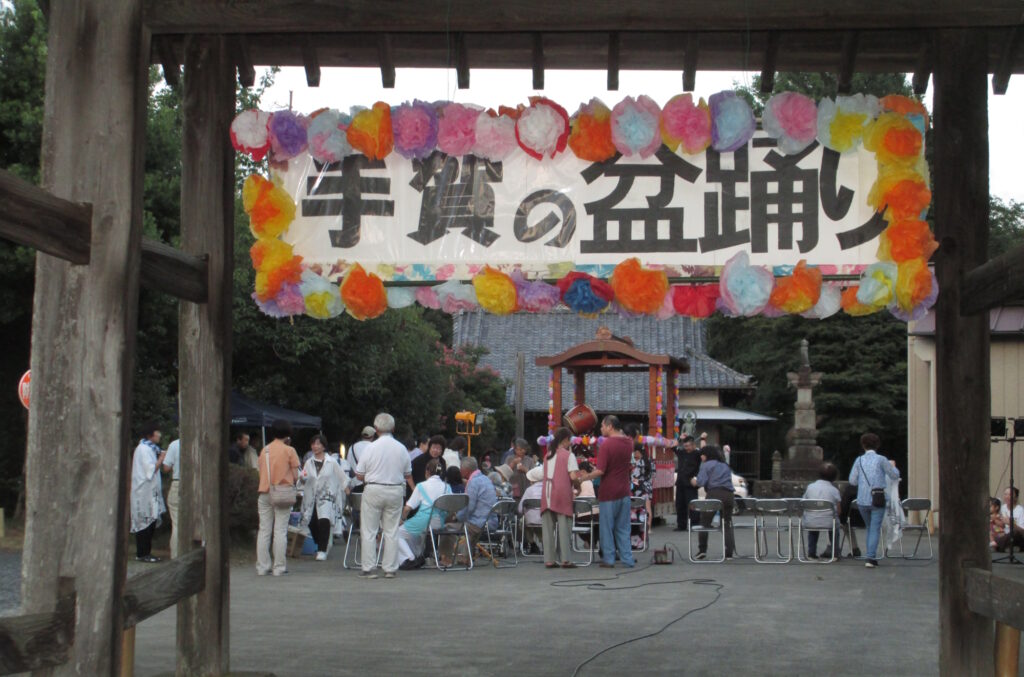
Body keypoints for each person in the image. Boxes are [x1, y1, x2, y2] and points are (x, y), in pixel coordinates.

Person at [355, 413, 414, 579]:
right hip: (395, 489)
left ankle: (369, 568)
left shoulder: (370, 448)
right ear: (393, 428)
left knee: (369, 530)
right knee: (392, 530)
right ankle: (390, 568)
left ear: (376, 429)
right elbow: (407, 473)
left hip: (373, 488)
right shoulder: (401, 448)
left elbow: (359, 475)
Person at [578, 415, 636, 569]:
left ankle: (609, 559)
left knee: (607, 528)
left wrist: (584, 478)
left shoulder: (606, 444)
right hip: (624, 490)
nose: (601, 429)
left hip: (609, 492)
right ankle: (627, 559)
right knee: (623, 528)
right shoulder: (629, 443)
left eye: (603, 426)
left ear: (610, 426)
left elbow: (600, 470)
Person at [848, 432, 900, 568]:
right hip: (878, 498)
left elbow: (852, 481)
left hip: (862, 500)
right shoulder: (881, 459)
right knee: (875, 528)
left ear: (863, 445)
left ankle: (870, 555)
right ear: (877, 445)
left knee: (870, 527)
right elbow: (894, 475)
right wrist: (893, 466)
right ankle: (870, 557)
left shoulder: (859, 460)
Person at [256, 419, 300, 576]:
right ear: (287, 433)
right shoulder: (290, 451)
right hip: (282, 493)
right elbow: (296, 476)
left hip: (265, 492)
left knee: (264, 530)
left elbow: (260, 470)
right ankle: (279, 567)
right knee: (280, 530)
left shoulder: (265, 450)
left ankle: (262, 566)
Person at [299, 434, 349, 561]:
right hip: (312, 497)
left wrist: (346, 490)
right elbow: (303, 478)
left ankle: (322, 550)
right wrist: (302, 479)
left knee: (324, 521)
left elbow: (342, 477)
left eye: (318, 444)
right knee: (312, 523)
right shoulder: (308, 463)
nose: (315, 446)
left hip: (327, 496)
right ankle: (323, 542)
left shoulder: (331, 462)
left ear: (323, 446)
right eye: (313, 444)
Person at [538, 427, 581, 569]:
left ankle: (549, 560)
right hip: (562, 492)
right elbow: (573, 476)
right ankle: (565, 559)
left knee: (547, 528)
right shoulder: (569, 455)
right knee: (564, 526)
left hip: (547, 492)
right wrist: (578, 485)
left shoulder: (547, 455)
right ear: (566, 440)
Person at [397, 458, 450, 570]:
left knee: (397, 533)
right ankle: (417, 556)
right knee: (414, 533)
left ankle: (410, 558)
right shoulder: (447, 487)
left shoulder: (421, 486)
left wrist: (402, 519)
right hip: (439, 522)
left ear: (427, 471)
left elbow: (408, 508)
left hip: (424, 521)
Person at [446, 456, 498, 566]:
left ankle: (445, 558)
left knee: (447, 527)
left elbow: (469, 507)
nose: (460, 470)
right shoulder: (486, 479)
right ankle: (465, 557)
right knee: (467, 526)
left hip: (479, 523)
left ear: (466, 470)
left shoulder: (473, 482)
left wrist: (456, 517)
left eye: (461, 468)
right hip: (491, 521)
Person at [690, 445, 736, 560]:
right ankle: (729, 553)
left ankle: (702, 550)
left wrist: (693, 481)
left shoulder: (706, 465)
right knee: (726, 523)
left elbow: (700, 482)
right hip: (729, 495)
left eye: (702, 455)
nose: (701, 457)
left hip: (714, 494)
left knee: (705, 521)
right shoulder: (725, 465)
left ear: (706, 455)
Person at [130, 422, 166, 563]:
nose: (159, 435)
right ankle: (142, 553)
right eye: (157, 432)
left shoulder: (150, 448)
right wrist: (161, 458)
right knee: (144, 522)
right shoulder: (144, 449)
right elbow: (150, 470)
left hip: (151, 492)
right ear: (151, 434)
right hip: (144, 493)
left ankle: (146, 552)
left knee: (151, 520)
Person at [802, 462, 841, 559]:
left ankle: (811, 553)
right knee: (834, 528)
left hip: (811, 520)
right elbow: (839, 510)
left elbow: (803, 502)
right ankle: (835, 553)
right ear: (834, 477)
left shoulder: (810, 487)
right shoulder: (834, 490)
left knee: (813, 529)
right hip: (829, 521)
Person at [674, 435, 700, 531]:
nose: (686, 448)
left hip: (690, 483)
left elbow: (702, 466)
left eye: (688, 446)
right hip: (680, 482)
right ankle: (681, 525)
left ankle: (695, 524)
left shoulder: (697, 454)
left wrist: (696, 478)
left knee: (692, 504)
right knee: (680, 505)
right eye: (685, 446)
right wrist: (679, 438)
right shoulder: (681, 452)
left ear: (693, 445)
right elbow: (673, 446)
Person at [161, 437, 181, 558]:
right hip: (196, 485)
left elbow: (166, 467)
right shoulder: (200, 443)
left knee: (177, 523)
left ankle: (176, 555)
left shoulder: (174, 444)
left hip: (178, 482)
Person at [348, 425, 376, 493]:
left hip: (355, 483)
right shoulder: (375, 447)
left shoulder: (352, 447)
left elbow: (349, 465)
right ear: (372, 436)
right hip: (371, 484)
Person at [996, 487, 1024, 552]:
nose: (1007, 497)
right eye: (1005, 494)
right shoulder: (1002, 508)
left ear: (1016, 497)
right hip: (1005, 535)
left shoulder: (1021, 510)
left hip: (1016, 536)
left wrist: (1011, 524)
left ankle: (996, 545)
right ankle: (1009, 547)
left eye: (1010, 495)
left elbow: (1022, 532)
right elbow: (1001, 526)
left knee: (1015, 533)